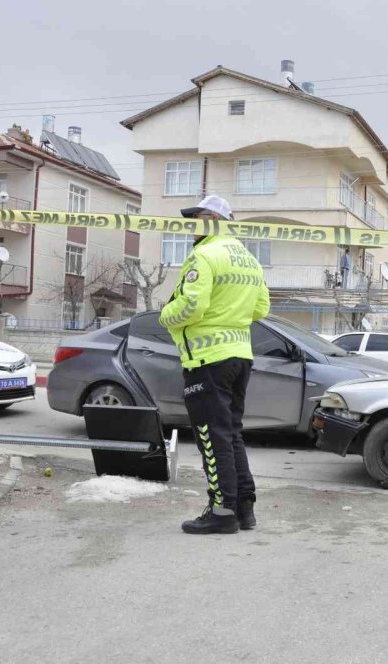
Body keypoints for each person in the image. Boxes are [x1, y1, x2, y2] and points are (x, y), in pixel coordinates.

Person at [160, 195, 270, 534]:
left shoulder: (204, 254)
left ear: (210, 219)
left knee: (211, 435)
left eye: (195, 219)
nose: (191, 227)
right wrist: (230, 317)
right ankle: (243, 508)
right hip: (240, 356)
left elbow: (192, 305)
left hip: (207, 359)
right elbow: (261, 309)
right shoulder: (248, 259)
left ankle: (222, 511)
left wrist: (166, 317)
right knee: (231, 433)